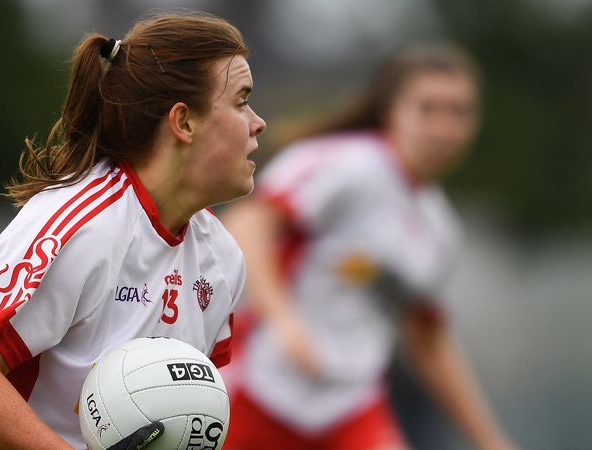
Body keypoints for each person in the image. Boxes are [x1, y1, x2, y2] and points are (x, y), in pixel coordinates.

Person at [0, 11, 266, 450]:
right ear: (183, 122)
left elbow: (195, 416)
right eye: (240, 101)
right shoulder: (83, 226)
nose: (257, 122)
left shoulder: (221, 258)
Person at [220, 44, 517, 450]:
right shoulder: (347, 166)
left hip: (352, 410)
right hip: (261, 392)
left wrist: (491, 440)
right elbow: (246, 222)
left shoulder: (439, 228)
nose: (444, 127)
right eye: (428, 108)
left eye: (459, 111)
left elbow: (428, 341)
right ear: (392, 111)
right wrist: (285, 319)